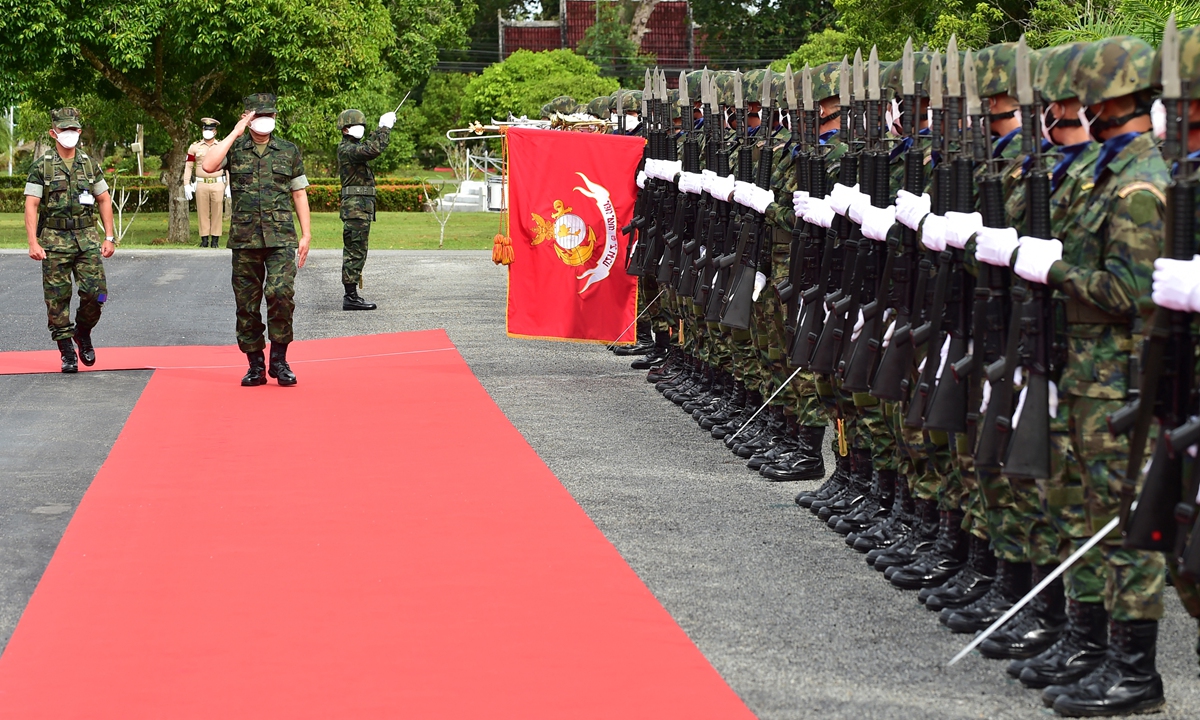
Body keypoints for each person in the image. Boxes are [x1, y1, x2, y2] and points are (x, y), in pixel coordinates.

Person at [201, 93, 311, 387]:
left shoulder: (288, 150)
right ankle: (255, 365)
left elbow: (298, 193)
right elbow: (208, 166)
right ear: (247, 117)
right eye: (258, 115)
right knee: (246, 304)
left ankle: (279, 360)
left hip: (281, 237)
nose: (266, 120)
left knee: (281, 294)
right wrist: (235, 132)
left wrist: (307, 234)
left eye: (270, 115)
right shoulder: (235, 148)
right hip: (245, 239)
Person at [23, 107, 117, 373]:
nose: (70, 134)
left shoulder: (89, 164)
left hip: (87, 240)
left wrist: (109, 237)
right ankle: (66, 350)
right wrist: (33, 242)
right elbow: (31, 205)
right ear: (54, 133)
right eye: (64, 130)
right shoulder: (41, 166)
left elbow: (103, 199)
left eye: (73, 129)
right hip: (54, 240)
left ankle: (83, 332)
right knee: (57, 298)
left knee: (97, 294)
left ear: (79, 131)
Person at [336, 107, 395, 310]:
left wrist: (379, 129)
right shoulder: (347, 150)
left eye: (363, 126)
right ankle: (350, 297)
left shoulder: (354, 148)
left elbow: (368, 147)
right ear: (345, 129)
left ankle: (351, 294)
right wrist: (384, 128)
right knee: (355, 250)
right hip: (355, 209)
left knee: (358, 250)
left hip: (359, 209)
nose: (360, 129)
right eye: (356, 126)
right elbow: (373, 149)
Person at [182, 117, 230, 248]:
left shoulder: (221, 146)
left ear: (215, 132)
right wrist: (186, 184)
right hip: (201, 183)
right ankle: (204, 240)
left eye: (210, 129)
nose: (207, 131)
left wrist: (228, 185)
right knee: (202, 211)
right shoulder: (195, 146)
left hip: (217, 182)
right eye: (205, 129)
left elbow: (227, 166)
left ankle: (215, 240)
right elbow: (189, 166)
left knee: (217, 211)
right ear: (203, 130)